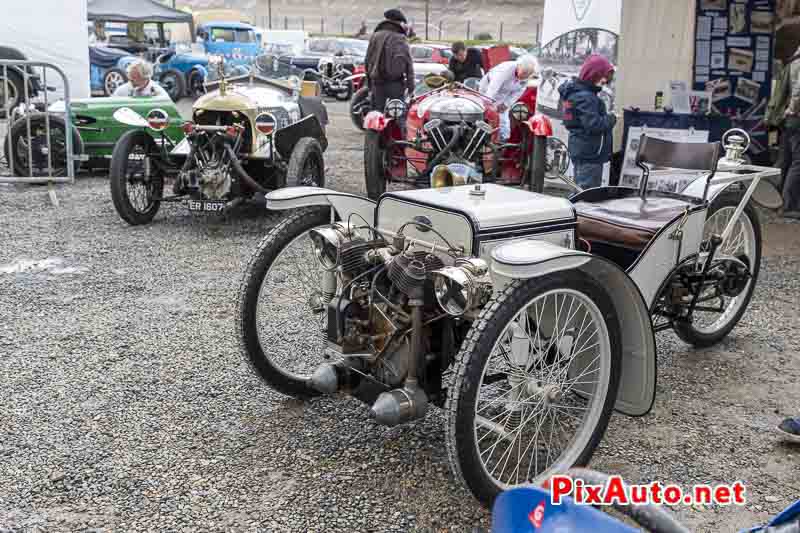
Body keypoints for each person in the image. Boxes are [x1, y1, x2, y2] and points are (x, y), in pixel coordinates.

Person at [558, 54, 617, 189]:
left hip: (584, 150)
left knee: (581, 188)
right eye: (603, 77)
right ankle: (577, 210)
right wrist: (612, 118)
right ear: (593, 74)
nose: (605, 81)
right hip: (590, 153)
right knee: (586, 193)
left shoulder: (577, 94)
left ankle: (575, 208)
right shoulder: (586, 97)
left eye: (607, 79)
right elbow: (594, 125)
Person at [365, 8, 415, 113]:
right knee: (398, 115)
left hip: (377, 83)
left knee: (376, 116)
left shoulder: (375, 36)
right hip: (395, 84)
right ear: (399, 22)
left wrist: (369, 85)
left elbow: (367, 60)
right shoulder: (401, 38)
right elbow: (408, 65)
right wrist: (411, 89)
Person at [479, 54, 538, 140]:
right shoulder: (506, 69)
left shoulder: (526, 77)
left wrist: (506, 104)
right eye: (524, 72)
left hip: (504, 95)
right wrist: (488, 104)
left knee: (504, 123)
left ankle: (502, 142)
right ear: (519, 66)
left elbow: (517, 92)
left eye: (528, 74)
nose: (525, 76)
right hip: (487, 89)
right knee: (487, 116)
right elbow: (493, 87)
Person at [780, 47, 800, 219]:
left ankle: (781, 201)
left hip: (790, 119)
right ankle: (789, 206)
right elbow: (798, 91)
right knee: (798, 162)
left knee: (787, 160)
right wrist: (792, 109)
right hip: (796, 116)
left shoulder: (792, 62)